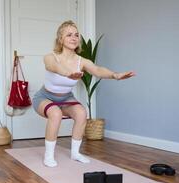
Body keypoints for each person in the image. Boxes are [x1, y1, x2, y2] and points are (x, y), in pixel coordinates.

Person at [32, 20, 135, 167]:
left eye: (76, 35)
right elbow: (54, 67)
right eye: (69, 35)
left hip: (66, 98)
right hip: (45, 97)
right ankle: (48, 156)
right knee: (55, 114)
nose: (74, 38)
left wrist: (115, 75)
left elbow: (98, 70)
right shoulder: (50, 57)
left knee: (81, 113)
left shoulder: (82, 61)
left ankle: (75, 153)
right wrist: (68, 73)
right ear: (60, 39)